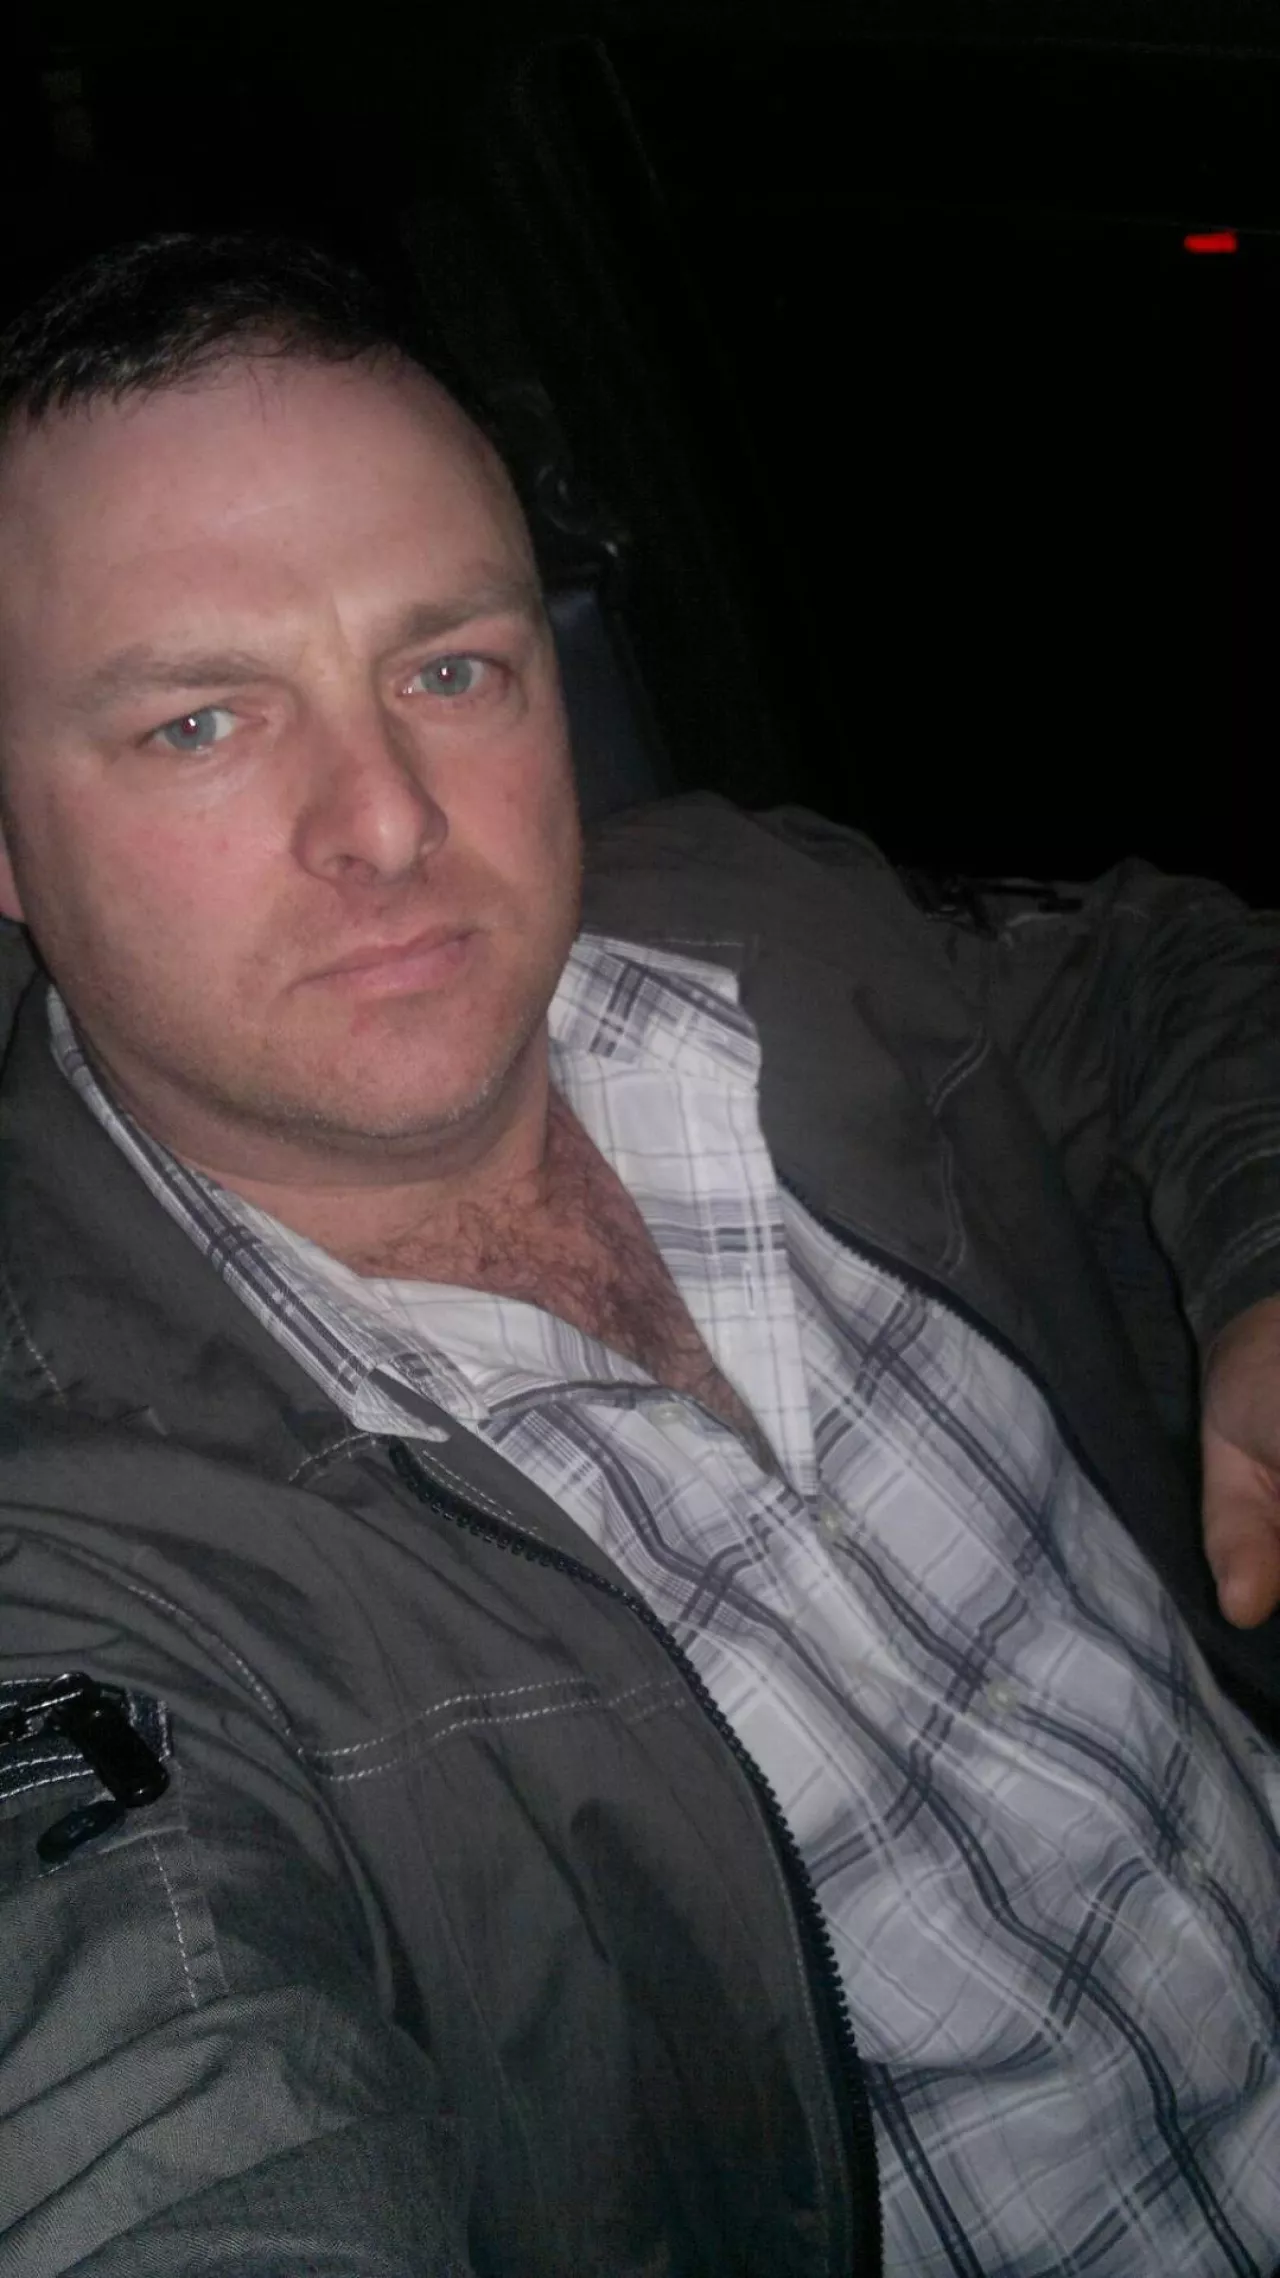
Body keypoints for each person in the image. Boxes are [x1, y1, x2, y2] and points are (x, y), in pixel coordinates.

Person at [0, 231, 1276, 2278]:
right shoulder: (71, 1542)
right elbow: (148, 2097)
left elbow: (1164, 975)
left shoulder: (764, 927)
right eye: (201, 723)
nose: (387, 819)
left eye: (449, 670)